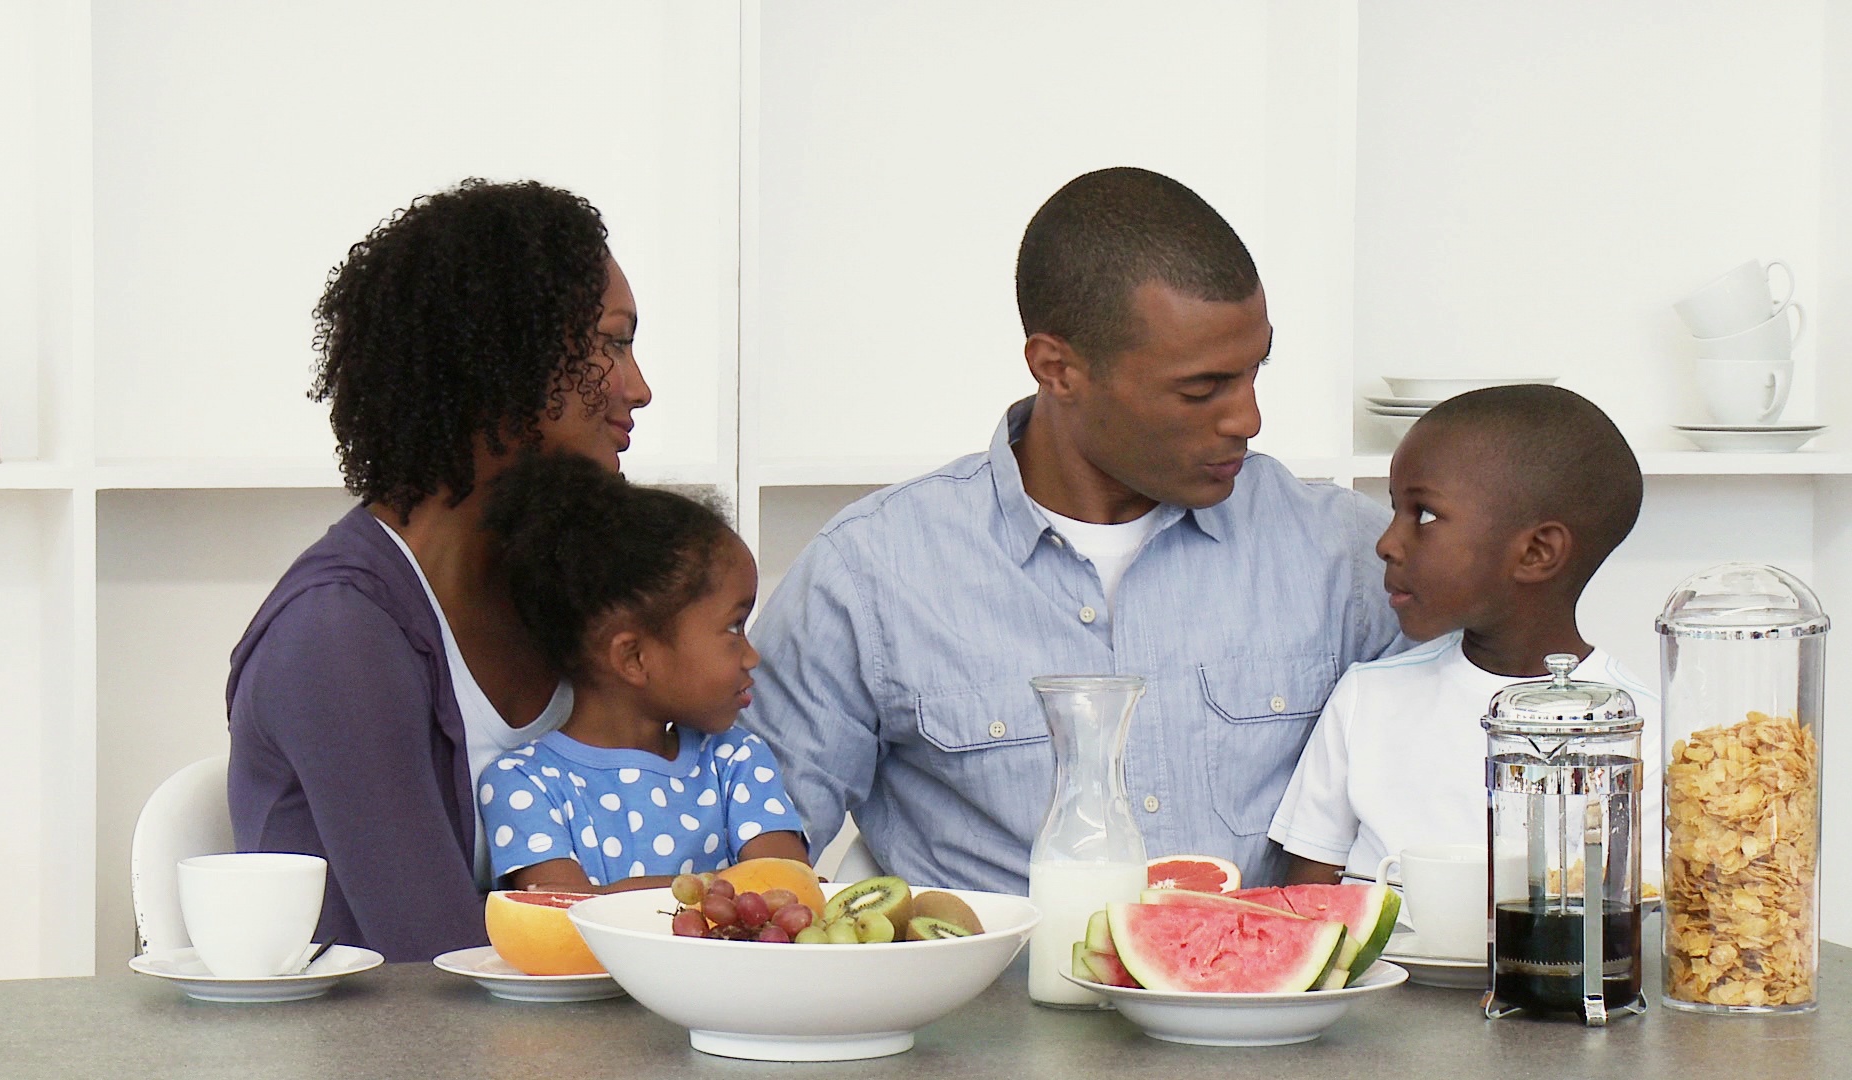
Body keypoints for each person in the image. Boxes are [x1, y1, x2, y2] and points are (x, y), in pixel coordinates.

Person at [743, 167, 1401, 894]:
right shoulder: (867, 574)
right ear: (1057, 368)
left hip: (1277, 1005)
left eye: (1255, 371)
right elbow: (757, 856)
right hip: (974, 1005)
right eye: (1202, 388)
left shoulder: (1349, 556)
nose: (1247, 418)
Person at [225, 179, 653, 961]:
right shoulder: (335, 635)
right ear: (505, 361)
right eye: (613, 343)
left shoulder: (570, 593)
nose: (639, 389)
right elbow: (437, 969)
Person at [1270, 384, 1663, 885]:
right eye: (1394, 510)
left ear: (1537, 552)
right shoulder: (1365, 698)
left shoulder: (1643, 736)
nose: (1387, 542)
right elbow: (1307, 908)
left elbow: (1641, 926)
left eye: (1425, 515)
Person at [474, 452, 809, 893]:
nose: (752, 657)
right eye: (733, 626)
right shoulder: (523, 781)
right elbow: (562, 917)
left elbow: (788, 890)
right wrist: (725, 887)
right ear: (633, 658)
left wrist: (611, 899)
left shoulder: (737, 759)